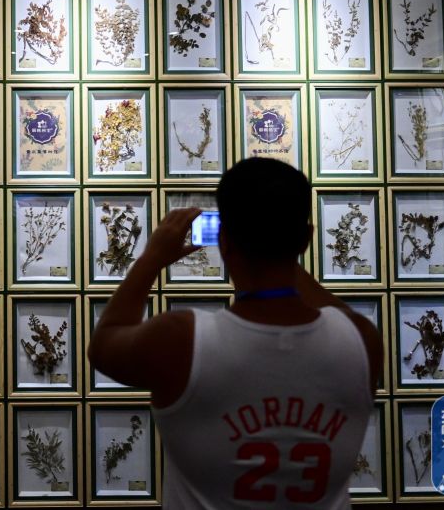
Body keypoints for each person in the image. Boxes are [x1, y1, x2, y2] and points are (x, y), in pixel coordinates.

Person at [88, 158, 382, 509]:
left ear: (223, 241)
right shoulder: (361, 341)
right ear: (306, 239)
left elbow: (104, 342)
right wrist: (283, 247)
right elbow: (332, 310)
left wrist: (152, 257)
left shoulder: (181, 340)